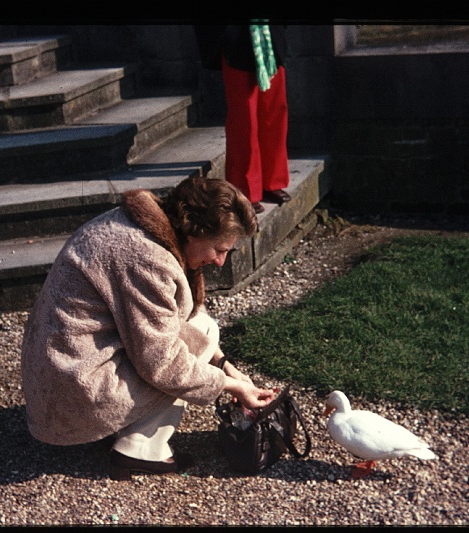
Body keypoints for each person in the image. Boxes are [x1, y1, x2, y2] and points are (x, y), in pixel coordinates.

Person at [20, 176, 276, 480]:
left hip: (61, 370)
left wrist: (225, 366)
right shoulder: (148, 260)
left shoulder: (139, 226)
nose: (220, 261)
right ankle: (139, 449)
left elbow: (170, 320)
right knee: (195, 340)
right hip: (74, 388)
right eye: (218, 249)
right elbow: (163, 363)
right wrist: (230, 385)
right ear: (193, 231)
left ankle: (126, 428)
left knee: (202, 330)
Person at [195, 23, 291, 214]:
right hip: (236, 37)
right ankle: (244, 188)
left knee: (274, 111)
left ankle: (272, 181)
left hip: (268, 34)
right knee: (244, 118)